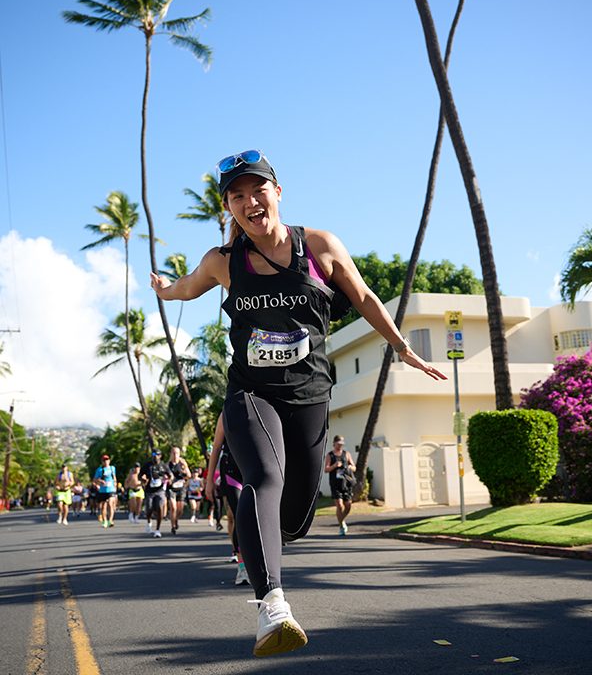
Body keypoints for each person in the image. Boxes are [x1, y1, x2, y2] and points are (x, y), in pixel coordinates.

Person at [150, 149, 446, 657]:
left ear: (278, 191)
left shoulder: (321, 247)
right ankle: (272, 607)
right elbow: (186, 287)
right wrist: (165, 290)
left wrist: (402, 348)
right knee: (261, 478)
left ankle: (267, 543)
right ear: (229, 207)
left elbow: (366, 298)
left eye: (257, 190)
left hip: (309, 394)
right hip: (251, 392)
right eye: (236, 196)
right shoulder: (223, 262)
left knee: (295, 518)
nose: (249, 202)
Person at [206, 413, 247, 584]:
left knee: (253, 516)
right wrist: (209, 482)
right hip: (231, 469)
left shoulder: (262, 404)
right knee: (240, 515)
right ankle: (242, 567)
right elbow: (216, 448)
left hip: (254, 468)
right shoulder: (226, 413)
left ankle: (258, 563)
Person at [324, 435, 356, 536]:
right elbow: (326, 469)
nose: (340, 446)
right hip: (335, 484)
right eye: (338, 444)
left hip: (346, 484)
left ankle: (341, 521)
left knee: (348, 506)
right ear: (334, 443)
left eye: (341, 444)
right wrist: (334, 465)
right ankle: (341, 525)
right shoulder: (330, 455)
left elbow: (354, 467)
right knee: (340, 505)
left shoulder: (346, 454)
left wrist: (350, 467)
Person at [140, 450, 171, 538]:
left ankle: (157, 530)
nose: (155, 456)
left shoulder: (163, 465)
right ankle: (149, 522)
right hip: (149, 491)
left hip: (160, 490)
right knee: (149, 507)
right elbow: (140, 475)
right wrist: (143, 479)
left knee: (159, 507)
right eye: (153, 454)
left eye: (157, 454)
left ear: (160, 456)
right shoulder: (147, 465)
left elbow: (170, 475)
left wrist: (168, 478)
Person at [166, 446, 191, 535]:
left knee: (180, 510)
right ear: (170, 454)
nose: (175, 455)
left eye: (177, 453)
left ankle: (176, 520)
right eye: (173, 453)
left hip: (181, 488)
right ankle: (173, 526)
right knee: (173, 508)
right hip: (171, 489)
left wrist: (184, 468)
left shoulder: (182, 463)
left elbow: (189, 475)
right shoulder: (167, 465)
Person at [94, 454, 117, 528]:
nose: (106, 461)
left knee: (110, 504)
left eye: (107, 460)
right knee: (103, 506)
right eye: (104, 460)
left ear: (109, 461)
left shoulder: (112, 468)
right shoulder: (99, 470)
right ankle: (105, 521)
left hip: (111, 489)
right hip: (103, 490)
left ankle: (110, 520)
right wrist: (100, 481)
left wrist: (115, 484)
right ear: (102, 462)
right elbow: (95, 479)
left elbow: (114, 477)